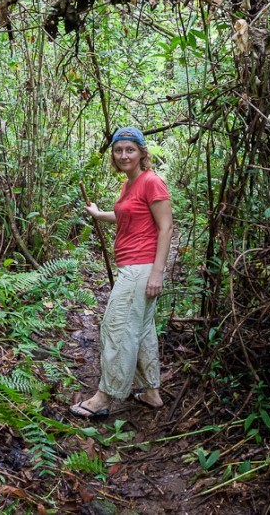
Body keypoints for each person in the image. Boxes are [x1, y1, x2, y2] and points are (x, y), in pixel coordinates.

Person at [70, 126, 173, 419]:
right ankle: (151, 392)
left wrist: (157, 273)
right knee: (141, 331)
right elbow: (126, 214)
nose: (124, 155)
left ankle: (103, 398)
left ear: (141, 152)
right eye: (118, 150)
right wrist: (98, 214)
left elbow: (166, 227)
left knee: (116, 329)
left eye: (130, 149)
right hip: (134, 267)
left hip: (141, 269)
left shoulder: (151, 181)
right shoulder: (131, 184)